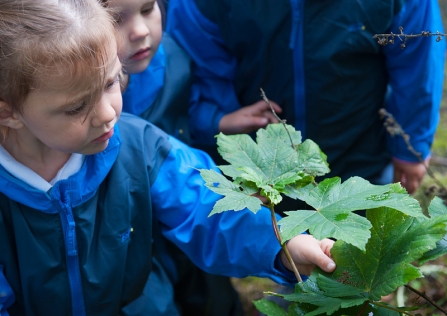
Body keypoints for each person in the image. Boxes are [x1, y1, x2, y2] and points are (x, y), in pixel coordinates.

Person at [0, 0, 337, 315]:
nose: (107, 114)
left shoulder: (139, 146)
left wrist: (281, 245)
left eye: (112, 82)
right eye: (77, 107)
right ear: (8, 113)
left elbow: (206, 208)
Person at [166, 0, 446, 203]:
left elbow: (418, 66)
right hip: (262, 161)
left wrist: (411, 146)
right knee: (284, 256)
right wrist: (219, 120)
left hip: (361, 147)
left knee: (357, 254)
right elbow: (199, 61)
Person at [101, 0, 243, 314]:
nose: (139, 31)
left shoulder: (174, 56)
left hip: (189, 209)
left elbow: (190, 109)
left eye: (148, 8)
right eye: (114, 18)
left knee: (213, 298)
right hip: (130, 236)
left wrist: (218, 121)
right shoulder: (83, 101)